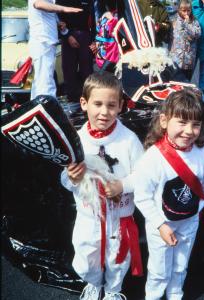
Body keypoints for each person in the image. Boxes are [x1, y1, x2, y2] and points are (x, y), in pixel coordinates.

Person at [61, 72, 144, 300]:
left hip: (120, 218)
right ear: (84, 103)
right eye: (97, 104)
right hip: (89, 216)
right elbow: (64, 178)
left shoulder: (128, 140)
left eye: (111, 105)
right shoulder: (76, 140)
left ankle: (113, 290)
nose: (104, 112)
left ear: (120, 107)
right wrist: (72, 177)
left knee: (118, 259)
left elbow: (146, 175)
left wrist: (123, 185)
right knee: (86, 258)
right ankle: (93, 283)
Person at [133, 89, 204, 300]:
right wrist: (160, 225)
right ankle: (153, 296)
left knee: (181, 264)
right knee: (159, 269)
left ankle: (175, 294)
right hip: (161, 223)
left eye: (196, 124)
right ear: (164, 121)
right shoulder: (153, 158)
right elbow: (142, 197)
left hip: (189, 222)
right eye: (181, 122)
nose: (189, 131)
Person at [28, 0, 82, 100]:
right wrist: (64, 9)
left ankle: (38, 109)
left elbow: (51, 15)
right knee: (46, 82)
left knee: (42, 80)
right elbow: (38, 4)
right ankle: (46, 109)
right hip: (43, 41)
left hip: (46, 42)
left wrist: (62, 27)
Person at [56, 0, 96, 103]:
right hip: (68, 35)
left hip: (85, 35)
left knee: (87, 70)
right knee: (68, 69)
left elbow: (94, 19)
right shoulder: (60, 1)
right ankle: (72, 99)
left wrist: (94, 40)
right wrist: (67, 35)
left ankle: (89, 98)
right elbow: (58, 19)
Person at [169, 0, 201, 82]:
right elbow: (171, 37)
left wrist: (187, 24)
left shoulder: (194, 21)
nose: (186, 13)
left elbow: (197, 34)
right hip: (176, 58)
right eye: (184, 11)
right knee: (175, 81)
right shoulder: (175, 20)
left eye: (188, 10)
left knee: (186, 81)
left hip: (188, 58)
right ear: (179, 10)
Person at [95, 2, 119, 73]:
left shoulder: (102, 17)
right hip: (110, 53)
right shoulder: (114, 17)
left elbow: (98, 30)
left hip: (101, 53)